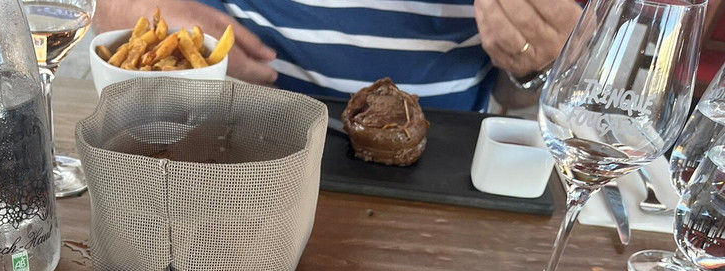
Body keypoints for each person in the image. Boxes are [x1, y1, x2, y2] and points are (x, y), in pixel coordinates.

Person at [94, 0, 583, 111]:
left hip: (444, 180)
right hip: (229, 161)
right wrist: (138, 12)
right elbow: (107, 8)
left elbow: (524, 93)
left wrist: (542, 68)